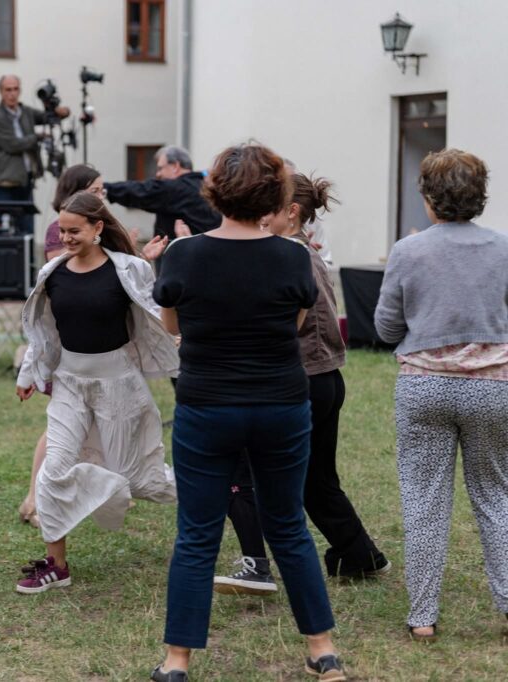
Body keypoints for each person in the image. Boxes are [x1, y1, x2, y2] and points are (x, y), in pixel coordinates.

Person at [152, 143, 345, 681]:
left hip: (206, 405)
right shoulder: (293, 256)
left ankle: (176, 661)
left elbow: (171, 326)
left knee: (197, 533)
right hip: (280, 404)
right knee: (289, 527)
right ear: (274, 196)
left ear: (214, 191)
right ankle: (322, 651)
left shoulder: (182, 255)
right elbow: (296, 322)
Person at [213, 173, 388, 598]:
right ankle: (360, 554)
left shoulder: (286, 257)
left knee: (242, 470)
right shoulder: (306, 254)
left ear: (291, 212)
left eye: (267, 207)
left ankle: (256, 566)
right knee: (317, 481)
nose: (259, 215)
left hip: (301, 383)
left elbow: (278, 325)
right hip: (326, 381)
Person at [14, 191, 178, 595]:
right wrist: (29, 372)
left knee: (138, 479)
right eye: (62, 231)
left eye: (75, 231)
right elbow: (44, 330)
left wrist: (180, 342)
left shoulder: (129, 269)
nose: (66, 238)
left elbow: (154, 314)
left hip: (118, 385)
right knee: (52, 471)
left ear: (98, 227)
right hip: (69, 384)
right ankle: (56, 565)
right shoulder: (53, 273)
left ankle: (214, 491)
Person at [374, 148, 508, 643]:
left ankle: (423, 617)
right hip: (492, 386)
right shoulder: (504, 248)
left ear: (429, 198)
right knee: (496, 495)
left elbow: (386, 328)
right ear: (480, 196)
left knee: (425, 500)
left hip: (424, 386)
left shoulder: (408, 251)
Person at [0, 74, 68, 235]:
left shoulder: (25, 111)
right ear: (1, 92)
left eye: (15, 89)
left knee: (26, 227)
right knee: (1, 229)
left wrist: (58, 111)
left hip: (24, 179)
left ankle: (27, 252)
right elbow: (13, 144)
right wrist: (38, 137)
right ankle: (0, 251)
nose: (12, 94)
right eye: (8, 90)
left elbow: (47, 117)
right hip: (4, 182)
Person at [104, 145, 221, 242]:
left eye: (160, 168)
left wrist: (104, 189)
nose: (158, 174)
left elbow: (140, 191)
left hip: (180, 258)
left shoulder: (175, 189)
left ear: (175, 166)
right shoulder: (206, 187)